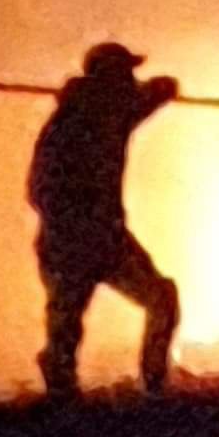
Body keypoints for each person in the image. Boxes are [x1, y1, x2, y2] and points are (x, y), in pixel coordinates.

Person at [27, 42, 185, 397]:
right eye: (126, 72)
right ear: (112, 77)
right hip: (86, 238)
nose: (132, 79)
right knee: (70, 325)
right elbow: (161, 88)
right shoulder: (100, 112)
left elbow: (155, 91)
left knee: (67, 324)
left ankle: (145, 385)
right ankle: (148, 386)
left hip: (81, 237)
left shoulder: (89, 112)